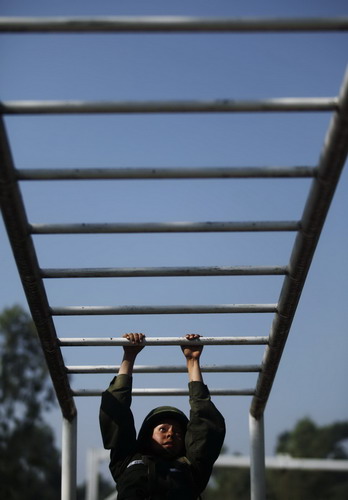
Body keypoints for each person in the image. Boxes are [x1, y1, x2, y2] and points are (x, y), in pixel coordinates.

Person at [99, 333, 226, 500]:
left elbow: (204, 424)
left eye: (178, 432)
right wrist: (129, 356)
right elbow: (116, 411)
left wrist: (193, 362)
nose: (170, 434)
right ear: (148, 434)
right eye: (163, 429)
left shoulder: (192, 468)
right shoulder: (126, 459)